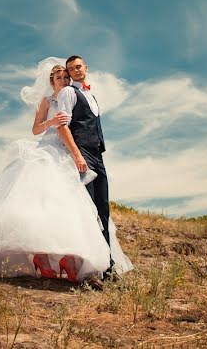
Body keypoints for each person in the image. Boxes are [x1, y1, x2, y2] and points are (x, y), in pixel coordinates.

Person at [0, 58, 112, 282]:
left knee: (67, 204)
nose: (63, 80)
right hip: (49, 149)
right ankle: (41, 257)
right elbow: (35, 129)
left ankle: (68, 258)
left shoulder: (71, 96)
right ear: (52, 81)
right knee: (40, 200)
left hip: (68, 151)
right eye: (59, 77)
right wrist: (51, 122)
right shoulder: (47, 100)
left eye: (65, 77)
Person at [56, 55, 117, 277]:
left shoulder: (91, 95)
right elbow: (62, 127)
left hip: (98, 155)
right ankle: (90, 269)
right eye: (71, 69)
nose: (76, 70)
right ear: (69, 73)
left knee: (103, 210)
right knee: (89, 211)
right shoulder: (68, 93)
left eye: (78, 67)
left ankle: (107, 266)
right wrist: (77, 156)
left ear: (86, 68)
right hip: (82, 155)